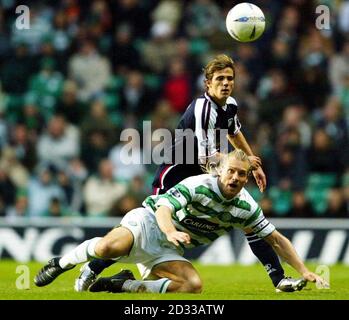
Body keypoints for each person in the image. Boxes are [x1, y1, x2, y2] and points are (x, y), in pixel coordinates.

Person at [73, 54, 298, 292]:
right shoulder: (203, 108)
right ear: (207, 83)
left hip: (204, 173)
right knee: (148, 231)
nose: (226, 83)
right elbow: (205, 156)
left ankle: (278, 279)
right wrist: (242, 163)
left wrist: (254, 163)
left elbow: (233, 132)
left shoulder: (230, 105)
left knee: (247, 220)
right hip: (175, 175)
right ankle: (94, 267)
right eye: (220, 78)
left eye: (230, 78)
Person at [34, 150, 328, 293]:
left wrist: (304, 270)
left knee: (193, 285)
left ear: (247, 178)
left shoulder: (245, 206)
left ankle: (118, 286)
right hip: (148, 224)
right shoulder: (198, 184)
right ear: (220, 171)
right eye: (232, 172)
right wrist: (171, 230)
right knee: (109, 248)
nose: (236, 178)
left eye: (242, 174)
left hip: (167, 249)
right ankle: (60, 263)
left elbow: (275, 240)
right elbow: (162, 209)